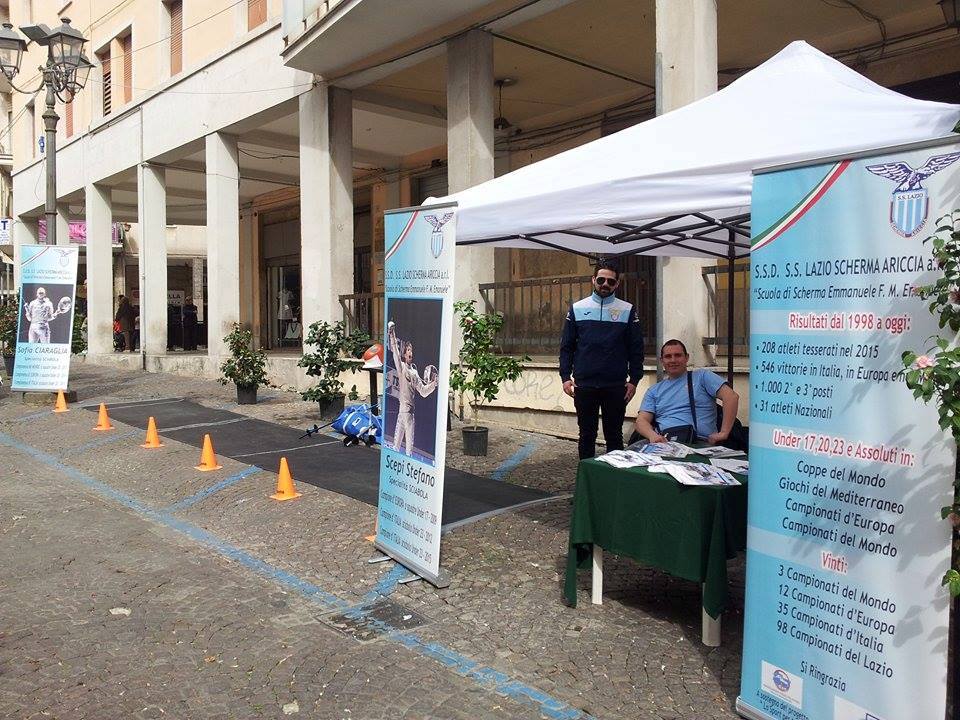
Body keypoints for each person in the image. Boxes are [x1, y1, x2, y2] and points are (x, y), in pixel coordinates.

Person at [559, 261, 644, 459]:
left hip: (615, 386)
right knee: (586, 435)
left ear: (617, 284)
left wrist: (634, 381)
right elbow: (567, 347)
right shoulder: (577, 308)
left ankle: (613, 483)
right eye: (601, 279)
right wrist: (565, 376)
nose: (605, 284)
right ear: (593, 280)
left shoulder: (628, 310)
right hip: (585, 385)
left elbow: (636, 349)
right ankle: (588, 482)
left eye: (610, 281)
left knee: (614, 436)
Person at [634, 339, 740, 445]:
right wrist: (653, 436)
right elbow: (641, 420)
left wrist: (724, 433)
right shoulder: (654, 390)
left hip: (698, 443)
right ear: (662, 361)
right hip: (663, 444)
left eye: (678, 355)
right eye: (668, 356)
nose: (673, 360)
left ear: (687, 358)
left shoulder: (702, 377)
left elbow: (731, 397)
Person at [387, 320, 438, 456]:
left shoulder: (414, 373)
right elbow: (395, 353)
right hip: (401, 412)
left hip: (410, 414)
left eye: (412, 350)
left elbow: (423, 391)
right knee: (396, 446)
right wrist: (392, 334)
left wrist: (434, 384)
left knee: (409, 448)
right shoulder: (401, 368)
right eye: (408, 350)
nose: (411, 352)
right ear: (404, 353)